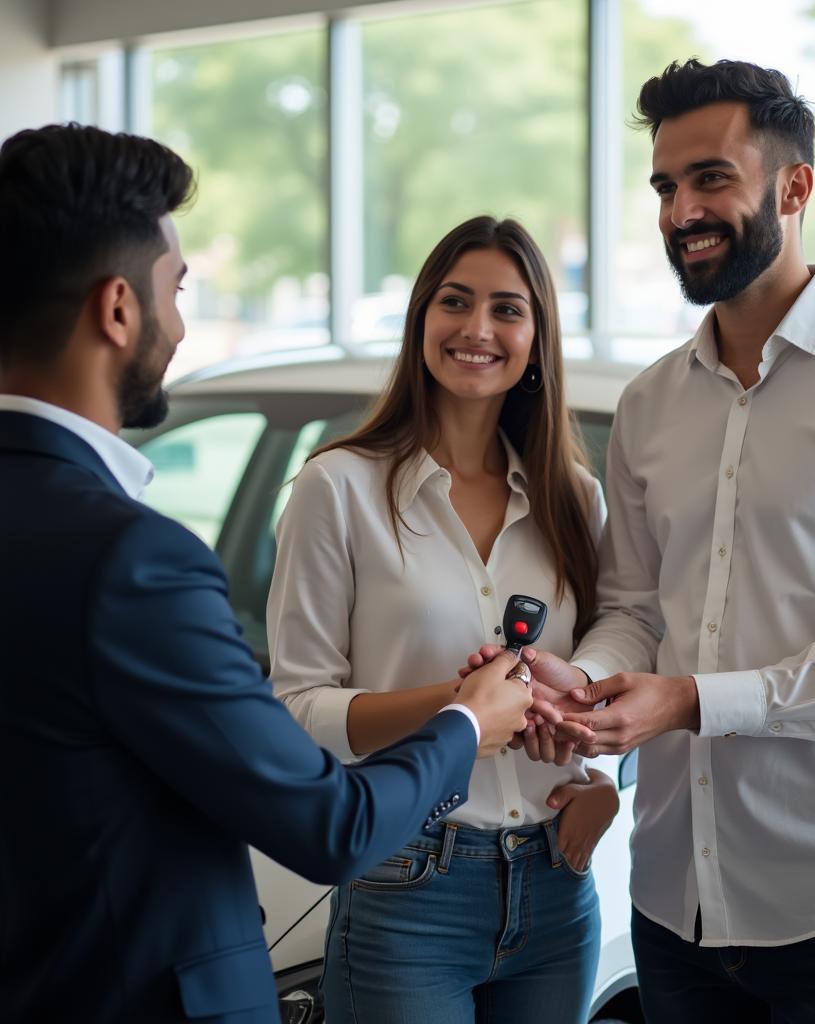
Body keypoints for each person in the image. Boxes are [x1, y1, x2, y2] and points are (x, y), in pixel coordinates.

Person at [469, 59, 815, 1022]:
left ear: (795, 187)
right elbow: (633, 607)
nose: (680, 211)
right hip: (673, 902)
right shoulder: (650, 402)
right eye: (666, 186)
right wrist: (582, 682)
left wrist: (696, 702)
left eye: (711, 178)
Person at [0, 124, 532, 1024]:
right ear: (117, 309)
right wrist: (466, 721)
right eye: (177, 289)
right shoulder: (132, 558)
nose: (181, 321)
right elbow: (333, 828)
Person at [267, 215, 619, 1024]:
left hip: (558, 880)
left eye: (507, 309)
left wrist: (607, 787)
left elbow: (614, 660)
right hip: (406, 885)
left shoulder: (577, 498)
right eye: (455, 302)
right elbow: (296, 709)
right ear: (422, 316)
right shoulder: (338, 488)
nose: (477, 329)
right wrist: (460, 715)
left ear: (537, 336)